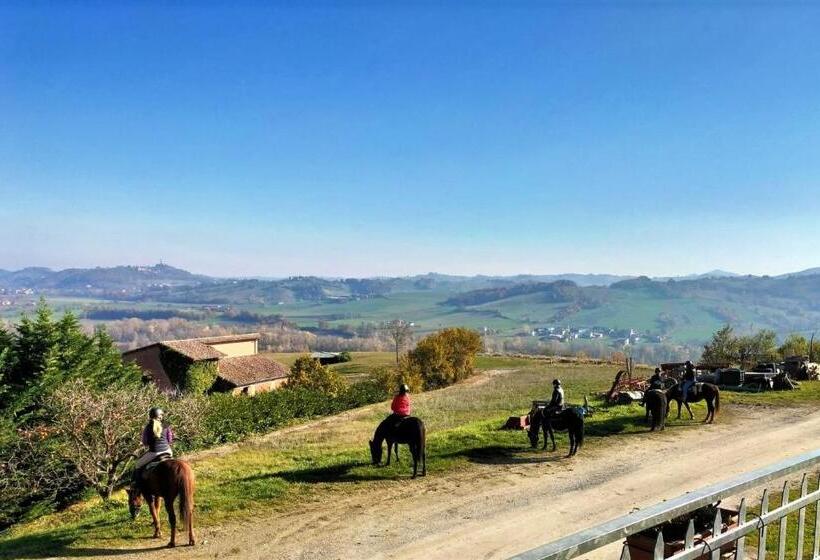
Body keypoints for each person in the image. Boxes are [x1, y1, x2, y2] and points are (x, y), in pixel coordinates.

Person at [133, 407, 174, 483]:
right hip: (168, 451)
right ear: (160, 416)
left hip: (154, 453)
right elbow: (170, 439)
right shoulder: (166, 425)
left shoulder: (148, 427)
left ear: (151, 416)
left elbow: (145, 442)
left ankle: (136, 486)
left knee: (137, 465)